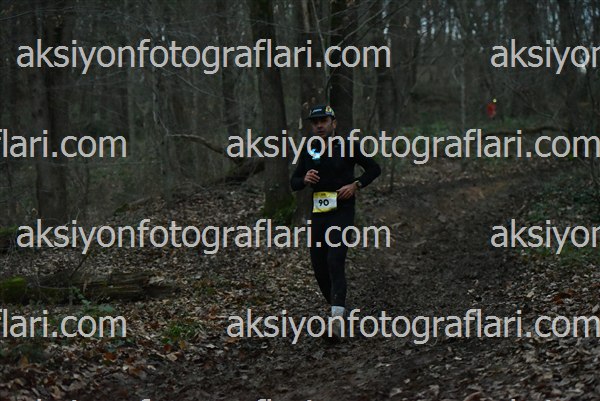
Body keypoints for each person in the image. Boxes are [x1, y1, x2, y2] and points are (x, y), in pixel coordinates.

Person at [290, 104, 381, 339]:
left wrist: (356, 185)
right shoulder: (309, 148)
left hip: (342, 210)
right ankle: (339, 308)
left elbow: (374, 168)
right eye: (315, 122)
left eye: (324, 121)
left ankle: (337, 321)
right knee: (319, 265)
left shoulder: (348, 145)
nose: (319, 125)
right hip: (319, 212)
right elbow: (294, 181)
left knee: (335, 259)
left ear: (334, 123)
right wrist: (304, 179)